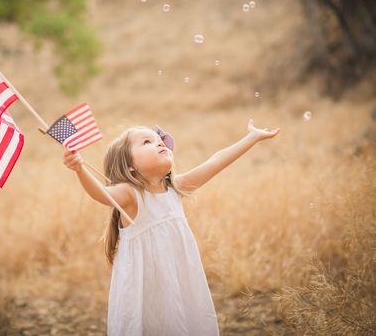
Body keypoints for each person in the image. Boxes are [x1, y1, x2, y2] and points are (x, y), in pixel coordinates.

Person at [63, 118, 280, 335]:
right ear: (129, 165)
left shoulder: (175, 188)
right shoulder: (131, 194)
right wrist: (80, 169)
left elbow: (215, 161)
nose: (160, 143)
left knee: (183, 322)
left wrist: (252, 138)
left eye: (160, 140)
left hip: (180, 279)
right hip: (146, 289)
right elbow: (102, 194)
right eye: (147, 142)